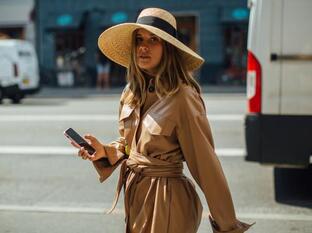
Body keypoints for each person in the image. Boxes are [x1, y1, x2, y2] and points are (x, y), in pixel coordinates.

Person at [72, 8, 254, 233]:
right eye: (138, 39)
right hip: (135, 198)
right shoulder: (130, 93)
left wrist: (227, 226)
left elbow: (206, 164)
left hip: (169, 201)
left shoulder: (183, 97)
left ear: (168, 47)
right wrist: (104, 152)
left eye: (153, 39)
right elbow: (131, 146)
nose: (143, 47)